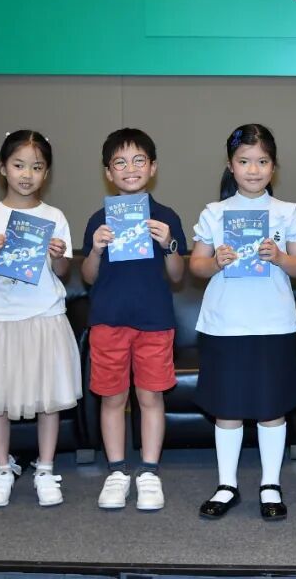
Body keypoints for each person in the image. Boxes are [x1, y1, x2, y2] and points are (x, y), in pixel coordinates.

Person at [188, 123, 296, 521]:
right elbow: (196, 265)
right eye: (244, 162)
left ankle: (270, 484)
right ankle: (227, 484)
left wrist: (280, 257)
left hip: (274, 323)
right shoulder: (215, 212)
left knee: (271, 408)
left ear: (274, 166)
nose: (253, 170)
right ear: (231, 165)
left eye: (262, 161)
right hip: (225, 324)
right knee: (228, 408)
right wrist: (215, 262)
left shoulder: (288, 212)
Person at [0, 130, 83, 508]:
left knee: (49, 399)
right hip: (0, 319)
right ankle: (2, 467)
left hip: (46, 316)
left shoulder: (54, 217)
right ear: (3, 168)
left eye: (36, 167)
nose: (27, 174)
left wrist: (59, 255)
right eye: (18, 165)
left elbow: (63, 271)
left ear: (46, 173)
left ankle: (45, 468)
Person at [81, 128, 187, 511]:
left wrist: (168, 244)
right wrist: (96, 249)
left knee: (151, 396)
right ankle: (115, 471)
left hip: (154, 321)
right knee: (112, 398)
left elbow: (177, 275)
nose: (130, 169)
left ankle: (149, 472)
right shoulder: (99, 219)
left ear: (153, 167)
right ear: (108, 172)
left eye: (139, 160)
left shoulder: (166, 217)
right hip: (108, 320)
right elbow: (88, 277)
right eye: (120, 162)